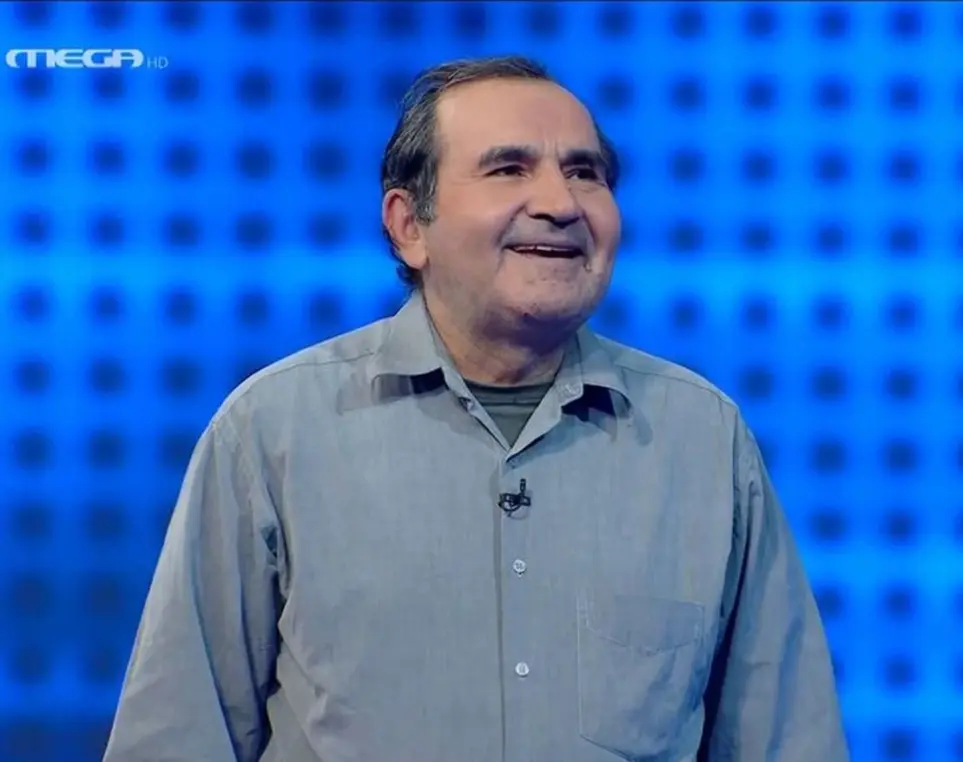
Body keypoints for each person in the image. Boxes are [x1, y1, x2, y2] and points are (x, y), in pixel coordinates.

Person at [102, 55, 850, 762]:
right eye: (508, 169)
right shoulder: (273, 431)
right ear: (409, 225)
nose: (560, 204)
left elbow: (789, 740)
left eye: (585, 172)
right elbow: (174, 738)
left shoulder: (701, 438)